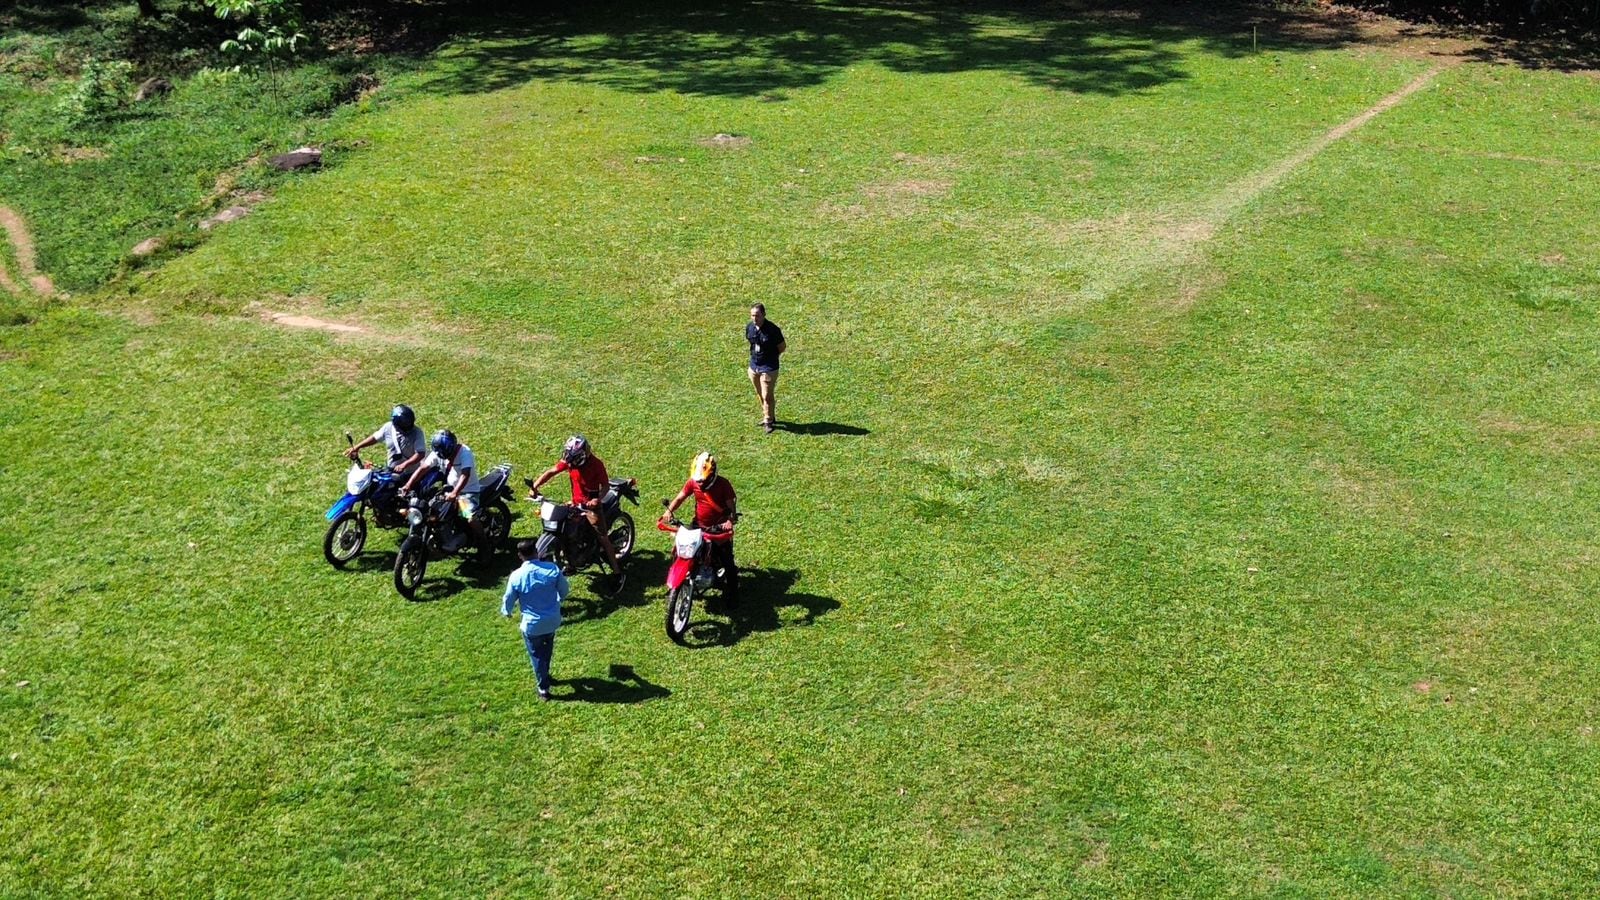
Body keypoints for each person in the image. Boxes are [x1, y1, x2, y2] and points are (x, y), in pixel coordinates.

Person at [528, 435, 624, 576]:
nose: (570, 463)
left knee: (602, 537)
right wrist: (535, 486)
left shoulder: (596, 465)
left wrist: (597, 499)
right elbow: (552, 471)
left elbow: (605, 486)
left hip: (591, 505)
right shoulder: (570, 460)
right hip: (575, 503)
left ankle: (617, 572)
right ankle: (572, 560)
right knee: (566, 529)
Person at [661, 451, 738, 601]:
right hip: (698, 526)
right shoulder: (693, 482)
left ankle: (733, 592)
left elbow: (732, 509)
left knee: (728, 562)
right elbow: (680, 497)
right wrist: (668, 511)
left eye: (703, 480)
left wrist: (729, 520)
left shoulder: (724, 485)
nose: (700, 483)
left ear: (712, 474)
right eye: (698, 481)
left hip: (717, 529)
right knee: (679, 551)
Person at [502, 539, 569, 701]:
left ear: (520, 555)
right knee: (547, 649)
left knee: (536, 655)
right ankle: (545, 672)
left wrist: (507, 611)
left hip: (532, 625)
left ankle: (543, 688)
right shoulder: (552, 569)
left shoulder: (516, 576)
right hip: (552, 621)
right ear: (537, 552)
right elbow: (564, 590)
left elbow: (509, 598)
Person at [400, 429, 486, 551]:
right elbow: (422, 469)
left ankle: (484, 544)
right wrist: (408, 485)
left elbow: (465, 475)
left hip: (467, 492)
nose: (441, 456)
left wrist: (455, 493)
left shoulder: (465, 453)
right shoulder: (439, 452)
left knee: (469, 516)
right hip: (448, 490)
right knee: (430, 510)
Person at [346, 404, 425, 475]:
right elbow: (374, 438)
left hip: (411, 473)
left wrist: (404, 465)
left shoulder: (417, 432)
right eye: (405, 426)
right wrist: (357, 447)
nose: (408, 427)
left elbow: (420, 454)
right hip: (392, 470)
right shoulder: (388, 427)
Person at [746, 303, 786, 433]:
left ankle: (768, 420)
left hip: (768, 367)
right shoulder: (750, 328)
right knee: (759, 393)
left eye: (757, 315)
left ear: (764, 315)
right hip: (754, 365)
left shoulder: (773, 330)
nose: (754, 318)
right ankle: (768, 415)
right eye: (752, 315)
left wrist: (772, 358)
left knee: (767, 395)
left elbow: (782, 347)